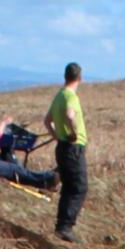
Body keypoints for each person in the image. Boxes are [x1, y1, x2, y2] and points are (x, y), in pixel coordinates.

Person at [47, 62, 88, 239]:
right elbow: (70, 115)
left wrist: (56, 135)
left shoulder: (59, 96)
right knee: (79, 187)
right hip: (72, 148)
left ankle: (61, 226)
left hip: (62, 147)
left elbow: (47, 120)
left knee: (68, 187)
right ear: (80, 77)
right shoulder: (71, 96)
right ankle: (65, 227)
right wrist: (73, 132)